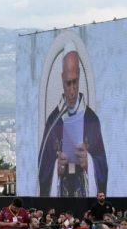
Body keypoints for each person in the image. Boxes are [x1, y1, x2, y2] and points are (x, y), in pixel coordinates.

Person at [38, 44, 108, 197]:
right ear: (62, 79)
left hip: (84, 194)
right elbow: (42, 167)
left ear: (80, 76)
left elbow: (103, 165)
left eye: (75, 82)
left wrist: (89, 162)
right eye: (68, 83)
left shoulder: (91, 119)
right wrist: (56, 167)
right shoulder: (54, 121)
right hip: (60, 194)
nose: (71, 90)